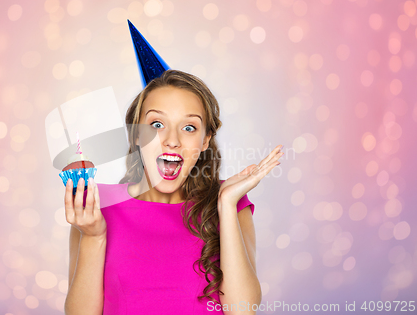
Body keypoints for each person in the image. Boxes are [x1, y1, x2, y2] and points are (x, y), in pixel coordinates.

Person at [64, 69, 284, 315]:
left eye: (189, 127)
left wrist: (226, 205)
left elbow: (243, 310)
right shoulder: (95, 206)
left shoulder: (231, 202)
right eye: (157, 124)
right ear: (136, 134)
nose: (172, 140)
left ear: (205, 141)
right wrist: (94, 236)